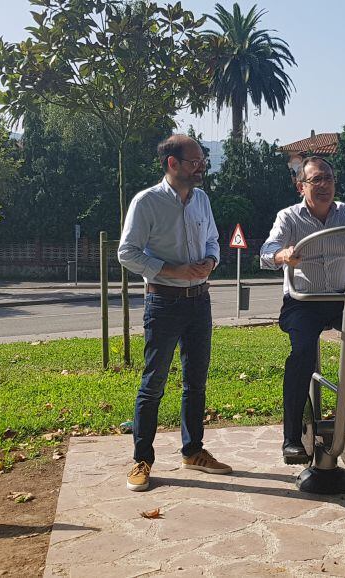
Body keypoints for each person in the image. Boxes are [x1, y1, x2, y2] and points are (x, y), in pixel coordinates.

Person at [260, 156, 345, 464]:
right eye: (316, 180)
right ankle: (292, 437)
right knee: (302, 354)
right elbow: (267, 252)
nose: (324, 186)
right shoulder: (289, 218)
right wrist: (284, 254)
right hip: (303, 300)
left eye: (328, 179)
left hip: (341, 297)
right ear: (301, 187)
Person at [118, 134, 231, 492]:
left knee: (196, 383)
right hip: (163, 302)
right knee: (153, 385)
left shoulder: (202, 200)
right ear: (173, 163)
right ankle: (141, 460)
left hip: (200, 302)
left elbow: (212, 239)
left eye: (202, 160)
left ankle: (193, 451)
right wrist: (172, 269)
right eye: (195, 161)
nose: (201, 167)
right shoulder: (146, 202)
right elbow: (127, 253)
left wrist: (211, 260)